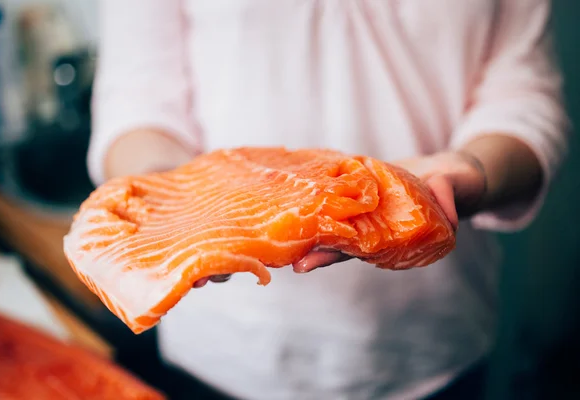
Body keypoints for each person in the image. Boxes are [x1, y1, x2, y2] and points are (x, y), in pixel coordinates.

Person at [87, 1, 568, 399]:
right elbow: (138, 101)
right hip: (224, 347)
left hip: (431, 340)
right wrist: (172, 200)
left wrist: (474, 172)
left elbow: (522, 97)